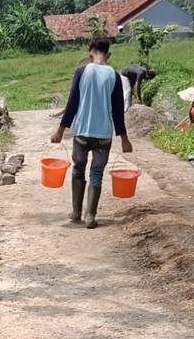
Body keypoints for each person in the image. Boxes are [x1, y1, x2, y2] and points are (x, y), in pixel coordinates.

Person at [50, 39, 133, 229]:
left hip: (82, 134)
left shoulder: (81, 72)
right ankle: (90, 216)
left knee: (79, 169)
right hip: (103, 135)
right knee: (97, 173)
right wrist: (124, 139)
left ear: (90, 52)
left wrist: (60, 131)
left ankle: (76, 212)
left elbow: (72, 104)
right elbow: (118, 110)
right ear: (108, 55)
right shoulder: (114, 75)